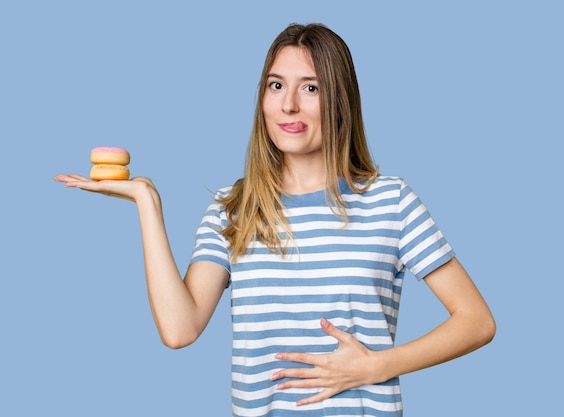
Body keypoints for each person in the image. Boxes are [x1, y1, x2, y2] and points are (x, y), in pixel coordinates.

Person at [55, 23, 495, 417]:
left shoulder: (389, 200)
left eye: (310, 88)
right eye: (275, 85)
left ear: (339, 101)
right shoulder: (233, 207)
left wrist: (375, 365)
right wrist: (147, 203)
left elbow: (476, 321)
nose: (288, 105)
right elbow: (179, 328)